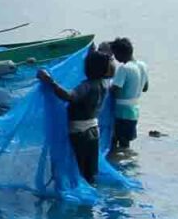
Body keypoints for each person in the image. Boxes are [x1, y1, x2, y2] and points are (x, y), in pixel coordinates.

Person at [36, 49, 111, 185]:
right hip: (93, 130)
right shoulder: (104, 84)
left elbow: (69, 96)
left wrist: (50, 81)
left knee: (78, 169)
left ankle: (80, 197)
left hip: (79, 132)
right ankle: (91, 197)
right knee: (90, 171)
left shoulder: (87, 86)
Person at [109, 37, 149, 150]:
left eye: (115, 54)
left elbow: (115, 91)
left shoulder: (124, 68)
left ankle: (120, 164)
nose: (115, 58)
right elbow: (145, 88)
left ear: (120, 54)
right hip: (134, 111)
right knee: (125, 145)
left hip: (121, 112)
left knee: (117, 143)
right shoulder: (143, 66)